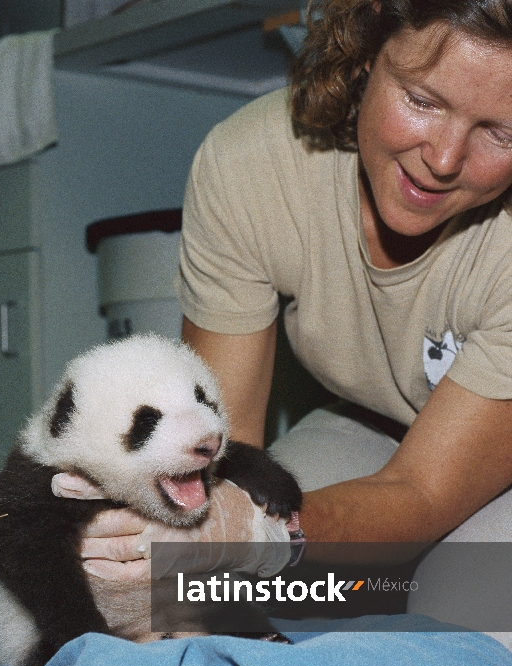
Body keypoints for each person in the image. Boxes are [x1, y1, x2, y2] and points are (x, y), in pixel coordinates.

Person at [69, 0, 512, 634]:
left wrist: (254, 528)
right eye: (422, 100)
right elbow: (226, 451)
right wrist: (185, 519)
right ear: (364, 58)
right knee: (209, 595)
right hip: (374, 427)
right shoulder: (252, 165)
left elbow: (420, 493)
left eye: (501, 132)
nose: (443, 158)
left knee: (457, 622)